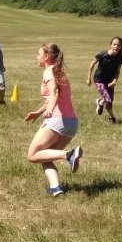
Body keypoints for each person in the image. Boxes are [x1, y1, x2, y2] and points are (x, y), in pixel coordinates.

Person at [25, 42, 83, 196]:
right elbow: (52, 98)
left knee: (32, 155)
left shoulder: (48, 73)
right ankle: (55, 187)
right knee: (45, 155)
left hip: (57, 120)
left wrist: (50, 110)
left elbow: (54, 94)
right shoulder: (59, 73)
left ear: (46, 57)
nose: (36, 57)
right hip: (71, 123)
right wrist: (38, 112)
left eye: (38, 54)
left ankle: (69, 155)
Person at [87, 36, 122, 124]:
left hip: (110, 81)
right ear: (111, 45)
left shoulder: (120, 56)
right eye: (114, 44)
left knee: (110, 100)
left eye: (118, 45)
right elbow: (92, 64)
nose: (116, 46)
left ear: (121, 46)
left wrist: (115, 80)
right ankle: (112, 118)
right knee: (108, 99)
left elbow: (118, 70)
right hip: (99, 80)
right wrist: (88, 78)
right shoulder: (103, 54)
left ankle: (100, 102)